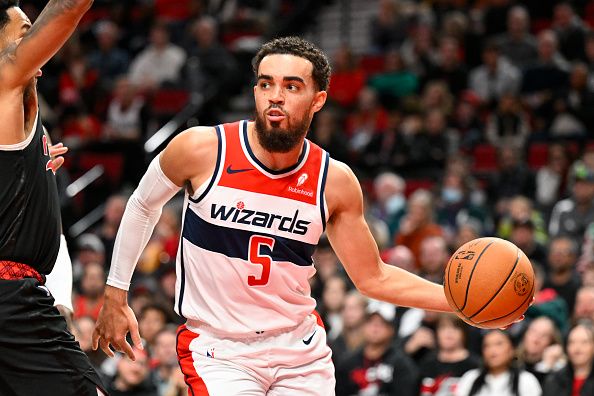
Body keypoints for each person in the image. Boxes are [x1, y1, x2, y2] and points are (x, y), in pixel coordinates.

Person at [93, 36, 453, 395]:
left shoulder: (334, 181)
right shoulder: (201, 149)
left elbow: (373, 277)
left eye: (291, 86)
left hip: (298, 348)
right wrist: (115, 293)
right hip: (221, 351)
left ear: (318, 100)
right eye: (266, 84)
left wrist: (456, 302)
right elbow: (142, 204)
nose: (275, 95)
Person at [0, 0, 106, 394]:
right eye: (25, 31)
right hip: (11, 300)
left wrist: (27, 175)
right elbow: (66, 9)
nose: (35, 40)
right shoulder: (5, 76)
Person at [456, 330, 542, 396]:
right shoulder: (470, 378)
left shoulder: (527, 380)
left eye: (499, 344)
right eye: (487, 345)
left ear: (512, 349)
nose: (492, 350)